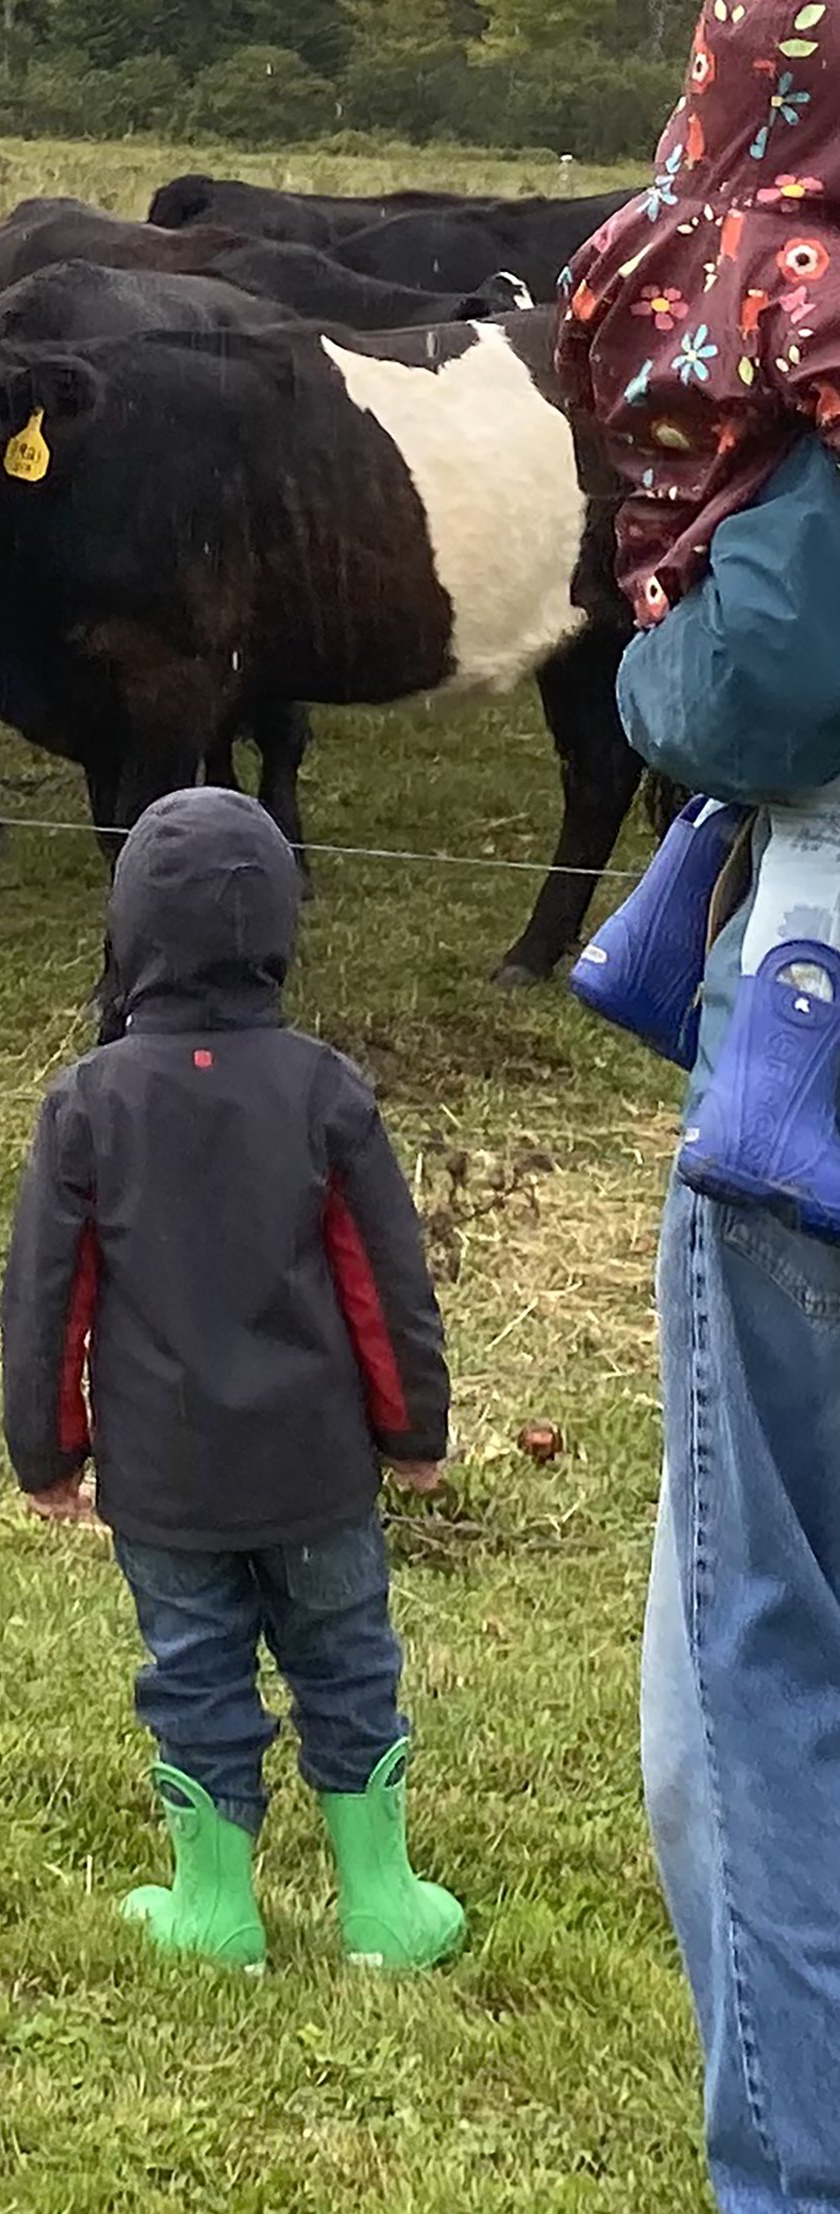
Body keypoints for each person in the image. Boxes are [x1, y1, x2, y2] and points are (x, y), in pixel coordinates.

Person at [557, 5, 840, 2204]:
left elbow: (756, 682)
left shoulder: (809, 365)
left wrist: (649, 653)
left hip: (817, 1045)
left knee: (750, 1694)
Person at [0, 788, 463, 1975]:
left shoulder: (85, 1103)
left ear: (127, 932)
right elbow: (383, 1283)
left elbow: (48, 1300)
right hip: (319, 1474)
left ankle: (216, 1912)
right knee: (348, 1662)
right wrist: (413, 1430)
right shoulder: (325, 1089)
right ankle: (382, 1907)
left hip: (165, 1482)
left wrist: (48, 1457)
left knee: (194, 1675)